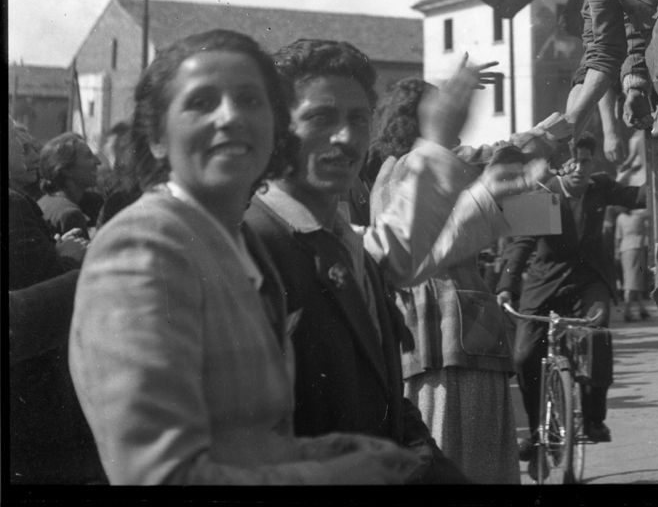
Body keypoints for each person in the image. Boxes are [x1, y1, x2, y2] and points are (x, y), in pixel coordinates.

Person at [68, 29, 422, 485]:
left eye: (250, 100)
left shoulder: (227, 244)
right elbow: (162, 476)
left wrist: (334, 450)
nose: (231, 116)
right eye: (201, 102)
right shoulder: (146, 245)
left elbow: (243, 440)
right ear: (157, 136)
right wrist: (341, 474)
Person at [245, 39, 536, 484]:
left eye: (358, 119)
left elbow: (392, 254)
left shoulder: (340, 241)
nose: (346, 138)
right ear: (275, 128)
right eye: (321, 117)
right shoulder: (250, 245)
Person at [372, 78, 561, 485]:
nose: (457, 127)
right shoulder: (427, 163)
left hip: (415, 334)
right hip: (457, 329)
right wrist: (556, 128)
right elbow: (502, 153)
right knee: (471, 455)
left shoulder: (386, 171)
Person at [498, 132, 647, 453]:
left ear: (593, 163)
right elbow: (521, 244)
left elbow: (639, 196)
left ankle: (593, 419)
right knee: (524, 356)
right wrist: (506, 286)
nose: (579, 168)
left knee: (597, 334)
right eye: (573, 161)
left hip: (588, 280)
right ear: (559, 165)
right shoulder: (541, 193)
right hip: (545, 280)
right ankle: (538, 431)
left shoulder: (599, 187)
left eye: (586, 161)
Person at [8, 116, 103, 485]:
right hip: (36, 392)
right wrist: (87, 269)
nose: (29, 151)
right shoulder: (16, 204)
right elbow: (36, 280)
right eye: (20, 144)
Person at [37, 132, 101, 238]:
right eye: (88, 156)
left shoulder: (44, 203)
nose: (98, 162)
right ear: (66, 169)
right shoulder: (70, 214)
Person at [615, 206, 651, 322]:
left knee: (633, 279)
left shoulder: (620, 217)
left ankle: (641, 309)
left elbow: (618, 237)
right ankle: (627, 311)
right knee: (633, 281)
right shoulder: (639, 215)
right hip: (637, 249)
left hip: (625, 250)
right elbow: (649, 214)